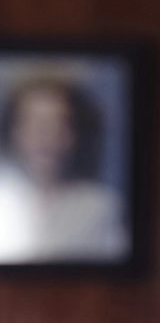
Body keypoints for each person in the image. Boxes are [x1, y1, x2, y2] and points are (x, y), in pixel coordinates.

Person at [0, 75, 128, 262]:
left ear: (74, 134)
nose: (45, 137)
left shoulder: (101, 208)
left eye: (58, 123)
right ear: (14, 131)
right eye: (35, 124)